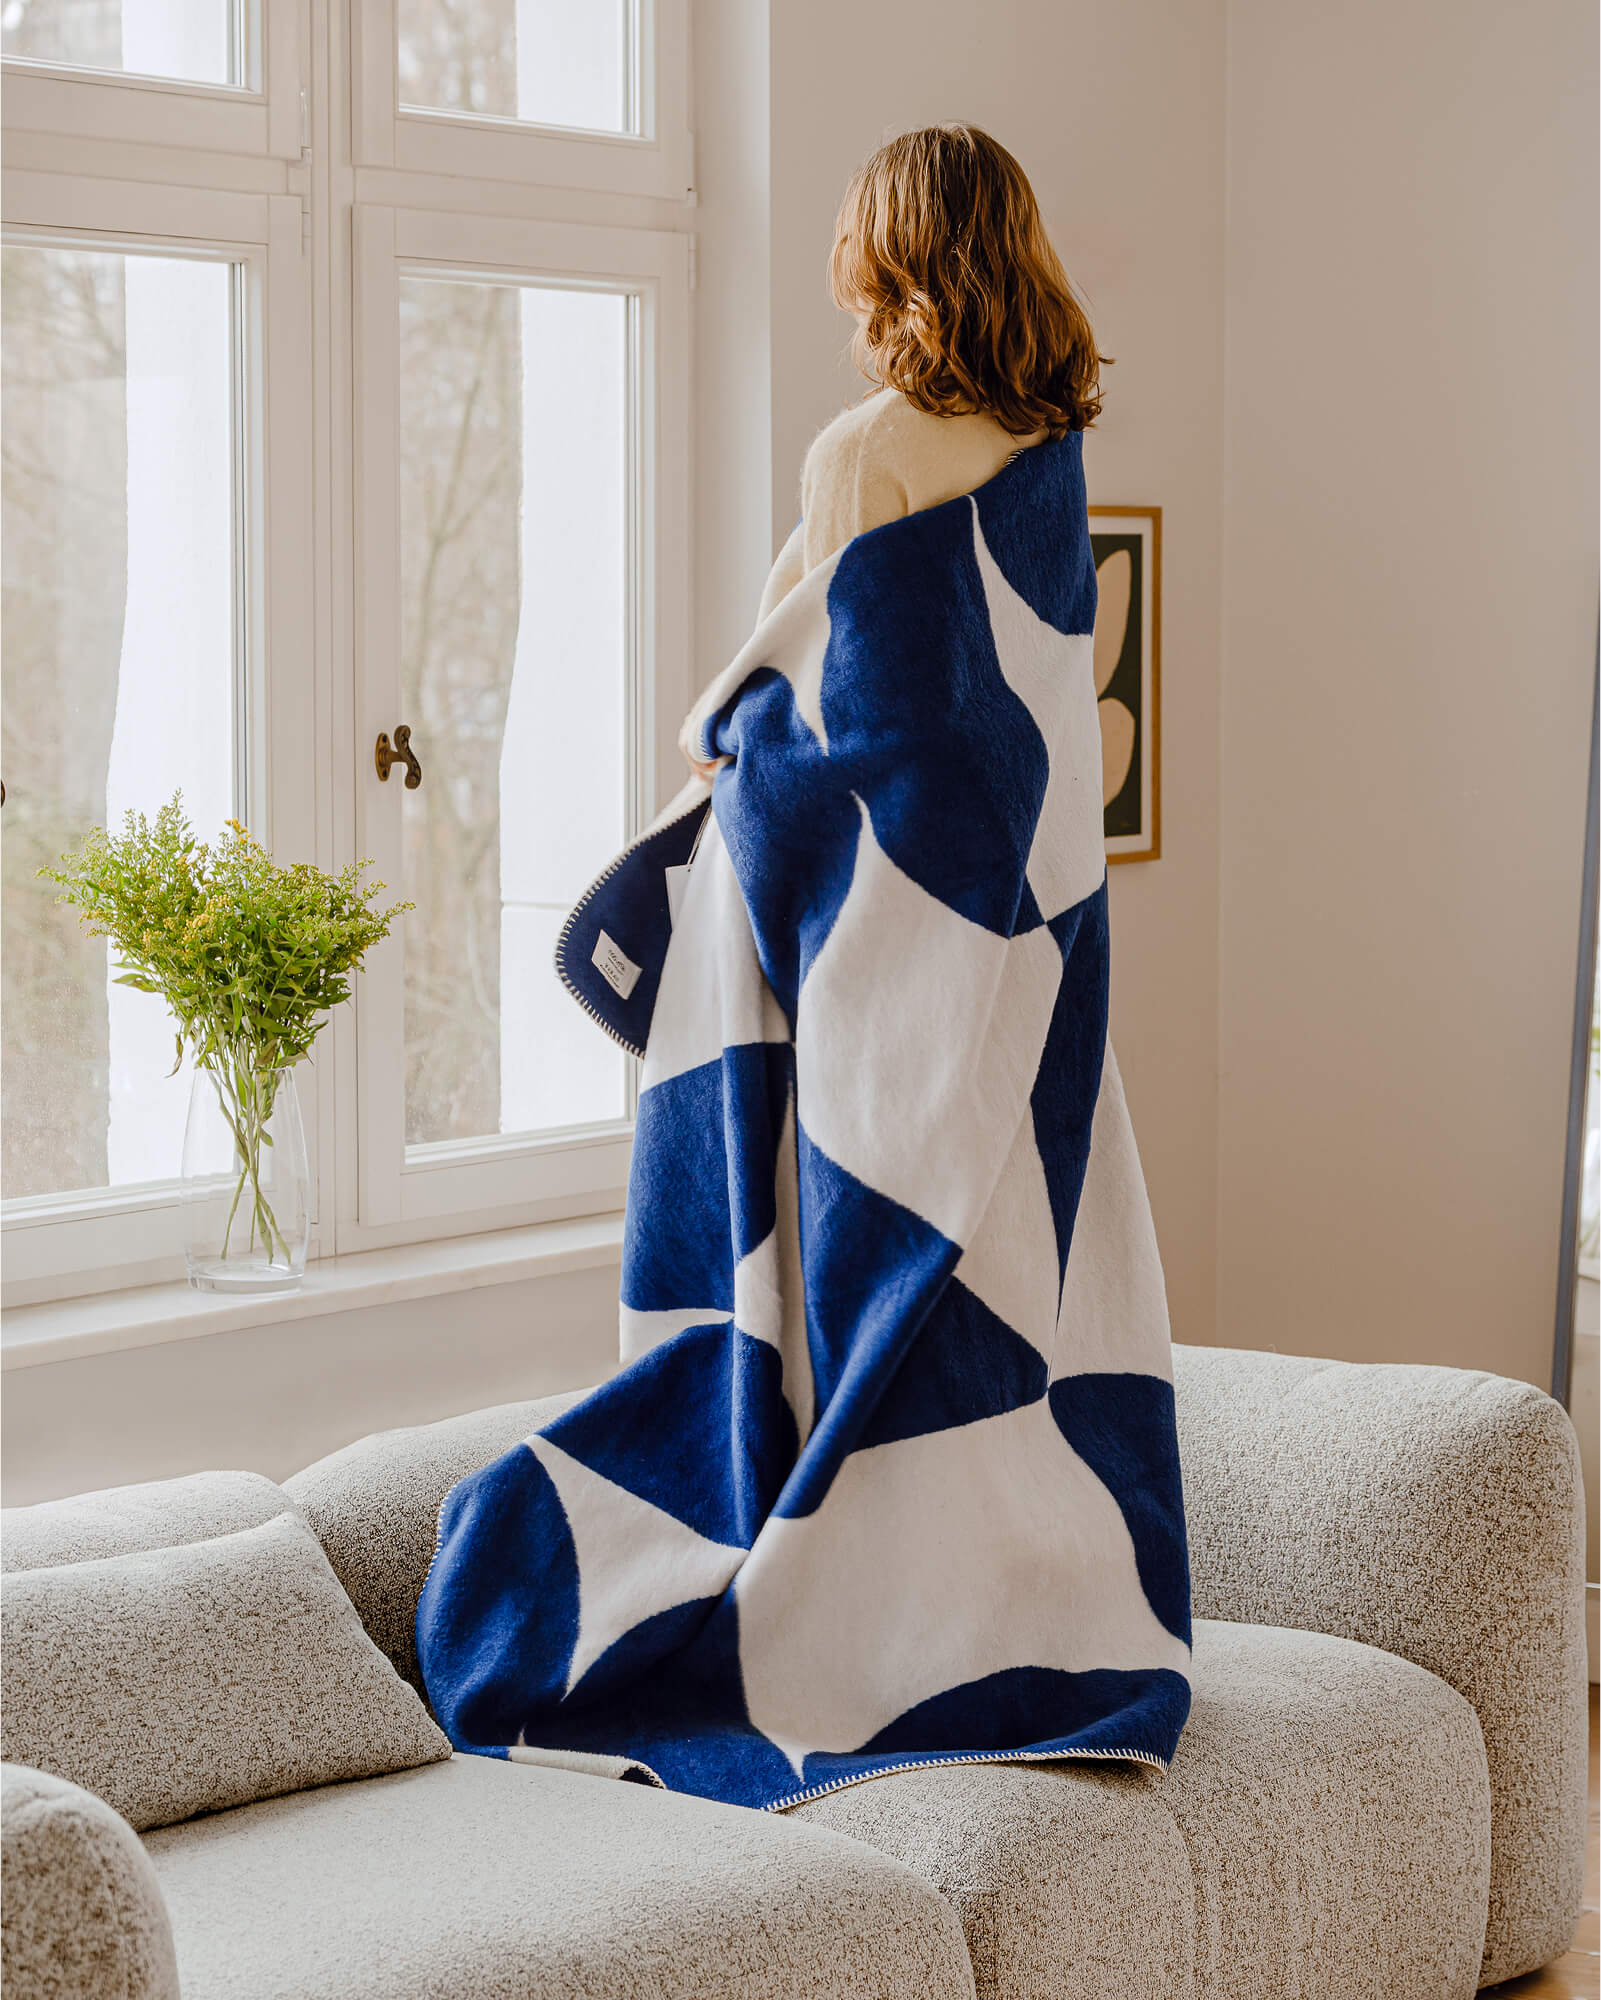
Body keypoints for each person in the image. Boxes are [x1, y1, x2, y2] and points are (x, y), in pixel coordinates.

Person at [683, 120, 1108, 781]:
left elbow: (830, 696)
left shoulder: (867, 450)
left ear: (880, 258)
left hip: (908, 828)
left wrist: (711, 731)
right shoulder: (1047, 430)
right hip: (1037, 811)